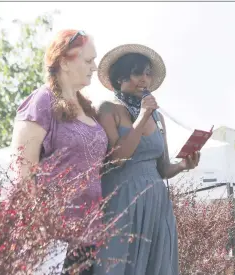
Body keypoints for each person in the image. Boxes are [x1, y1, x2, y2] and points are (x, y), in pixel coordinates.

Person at [94, 44, 200, 275]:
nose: (144, 79)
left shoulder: (158, 116)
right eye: (137, 73)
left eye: (148, 73)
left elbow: (162, 168)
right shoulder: (108, 109)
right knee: (117, 264)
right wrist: (142, 116)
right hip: (122, 201)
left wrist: (183, 165)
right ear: (121, 77)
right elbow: (117, 159)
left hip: (156, 202)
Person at [11, 29, 108, 275]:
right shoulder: (41, 102)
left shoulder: (86, 107)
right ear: (64, 61)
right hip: (52, 237)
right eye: (88, 60)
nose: (94, 67)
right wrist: (39, 230)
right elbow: (22, 174)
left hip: (88, 236)